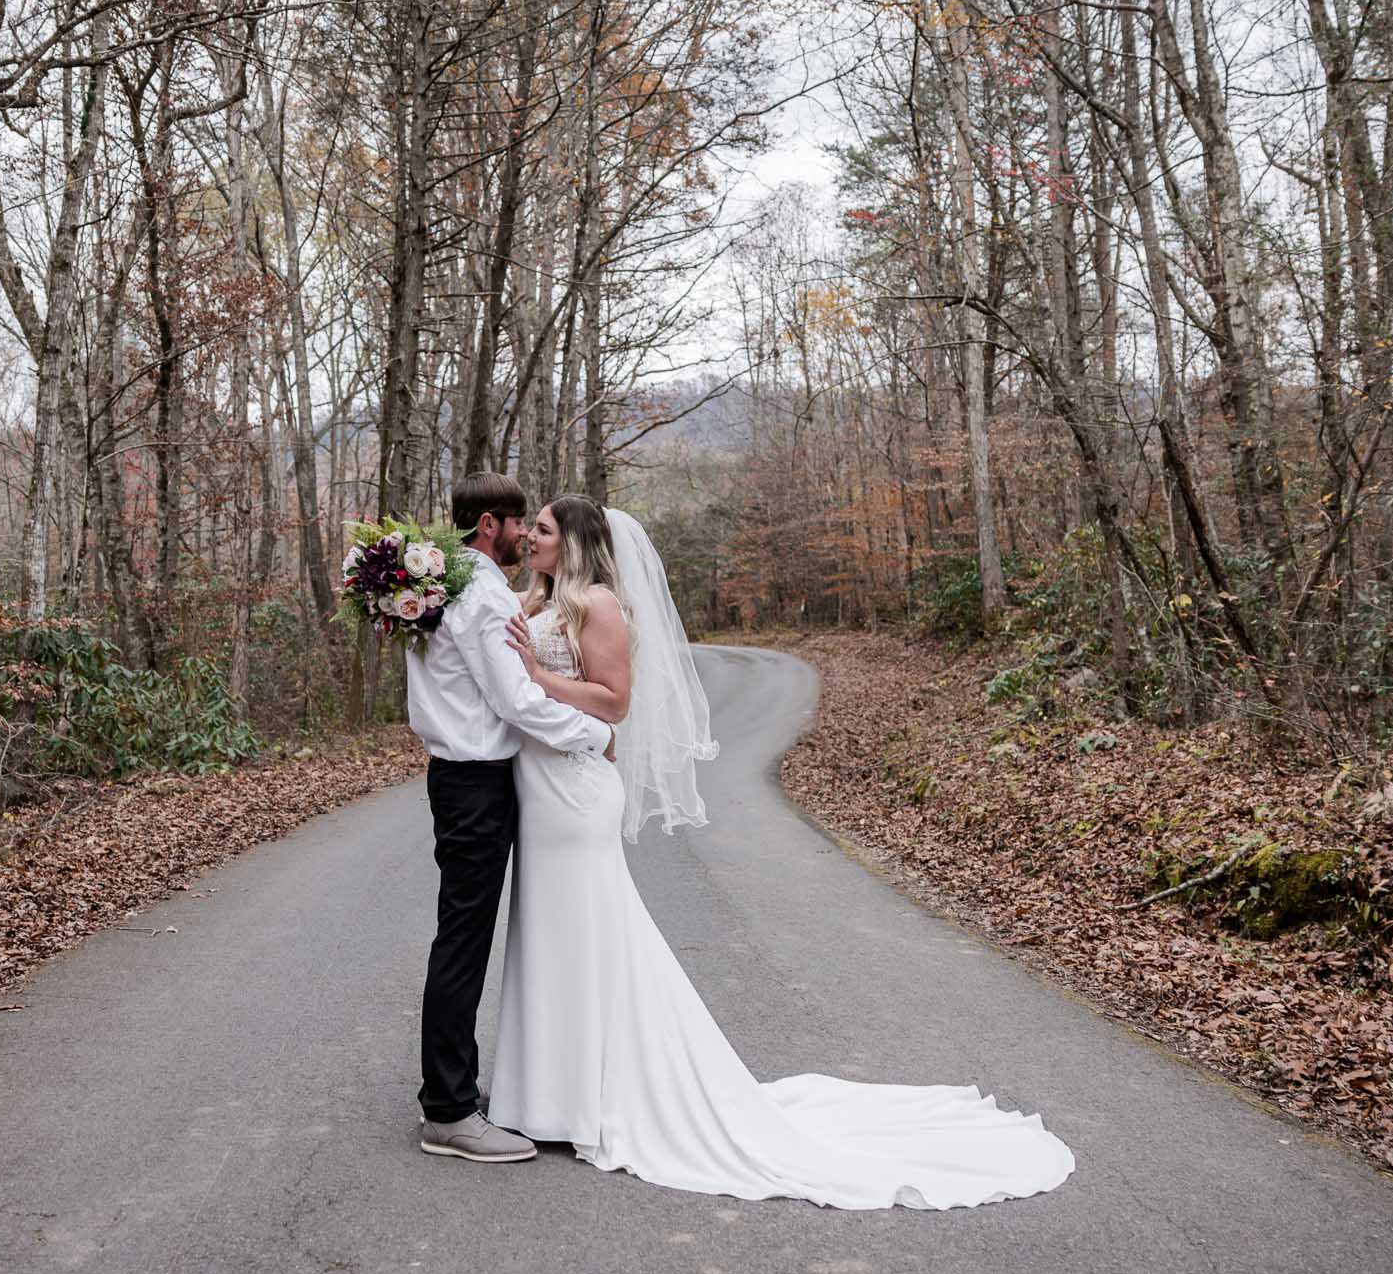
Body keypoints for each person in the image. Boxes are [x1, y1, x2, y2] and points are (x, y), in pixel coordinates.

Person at [486, 495, 1074, 1208]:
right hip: (541, 792)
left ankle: (583, 1098)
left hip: (577, 794)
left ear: (573, 541)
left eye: (543, 530)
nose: (532, 538)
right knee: (546, 937)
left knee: (583, 935)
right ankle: (542, 1089)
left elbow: (614, 703)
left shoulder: (601, 605)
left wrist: (540, 678)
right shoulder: (537, 597)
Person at [404, 472, 611, 1163]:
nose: (526, 534)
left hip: (453, 774)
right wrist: (592, 735)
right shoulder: (483, 598)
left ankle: (451, 1088)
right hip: (475, 782)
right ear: (490, 524)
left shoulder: (442, 581)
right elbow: (516, 701)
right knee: (464, 938)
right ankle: (450, 1111)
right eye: (521, 522)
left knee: (460, 932)